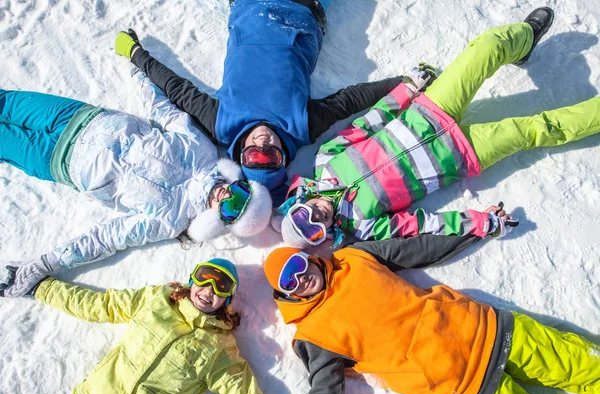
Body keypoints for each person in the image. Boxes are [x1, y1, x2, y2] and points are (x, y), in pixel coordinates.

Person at [272, 7, 600, 249]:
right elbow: (425, 226)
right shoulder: (365, 224)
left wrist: (408, 89)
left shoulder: (326, 160)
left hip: (428, 110)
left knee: (486, 48)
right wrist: (482, 222)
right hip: (460, 154)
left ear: (299, 202)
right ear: (325, 236)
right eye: (314, 231)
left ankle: (524, 38)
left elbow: (368, 123)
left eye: (304, 217)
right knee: (537, 129)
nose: (317, 218)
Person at [0, 69, 272, 298]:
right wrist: (138, 67)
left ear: (223, 220)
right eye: (241, 190)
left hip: (57, 159)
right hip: (79, 117)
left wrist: (43, 264)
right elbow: (164, 111)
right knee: (5, 103)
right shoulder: (203, 151)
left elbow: (106, 238)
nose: (228, 194)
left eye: (234, 207)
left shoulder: (171, 219)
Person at [113, 0, 413, 204]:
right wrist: (404, 84)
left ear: (241, 157)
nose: (263, 144)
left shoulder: (221, 123)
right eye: (272, 156)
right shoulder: (302, 125)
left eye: (255, 157)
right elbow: (350, 101)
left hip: (250, 8)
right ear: (284, 158)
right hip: (301, 10)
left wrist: (136, 55)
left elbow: (177, 89)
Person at [263, 245, 600, 394]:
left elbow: (413, 249)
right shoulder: (313, 334)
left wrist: (472, 228)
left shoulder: (352, 259)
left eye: (298, 266)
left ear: (308, 258)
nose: (301, 278)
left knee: (586, 367)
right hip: (464, 388)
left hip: (489, 329)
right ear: (287, 295)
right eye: (289, 282)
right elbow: (325, 391)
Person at [7, 258, 264, 394]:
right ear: (192, 279)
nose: (208, 290)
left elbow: (242, 393)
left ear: (227, 299)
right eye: (204, 277)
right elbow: (101, 305)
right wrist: (42, 288)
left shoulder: (219, 347)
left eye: (221, 287)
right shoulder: (158, 301)